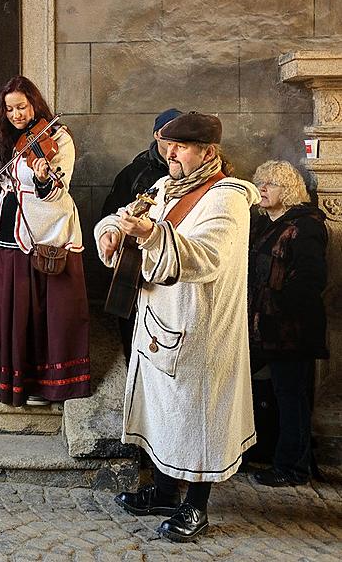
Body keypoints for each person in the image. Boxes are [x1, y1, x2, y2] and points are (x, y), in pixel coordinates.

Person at [94, 112, 258, 542]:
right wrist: (111, 231)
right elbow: (124, 213)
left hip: (201, 330)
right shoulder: (166, 186)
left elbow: (206, 257)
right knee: (164, 416)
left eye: (180, 147)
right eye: (168, 145)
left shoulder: (227, 199)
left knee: (198, 418)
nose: (170, 153)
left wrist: (150, 236)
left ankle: (196, 507)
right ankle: (166, 493)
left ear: (207, 151)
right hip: (158, 323)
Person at [0, 75, 90, 407]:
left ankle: (44, 383)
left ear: (34, 104)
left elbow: (59, 188)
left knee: (41, 310)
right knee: (0, 307)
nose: (16, 115)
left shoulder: (59, 138)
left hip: (44, 232)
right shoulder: (3, 138)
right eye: (9, 108)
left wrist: (43, 178)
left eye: (21, 107)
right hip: (5, 231)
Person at [248, 160, 328, 487]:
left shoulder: (304, 225)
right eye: (260, 182)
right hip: (259, 326)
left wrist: (279, 309)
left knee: (291, 394)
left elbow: (311, 279)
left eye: (271, 184)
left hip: (290, 329)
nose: (263, 189)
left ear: (289, 190)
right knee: (249, 387)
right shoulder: (262, 223)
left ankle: (293, 467)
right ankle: (251, 452)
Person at [100, 108, 182, 361]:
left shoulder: (189, 172)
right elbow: (111, 214)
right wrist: (111, 232)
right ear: (157, 134)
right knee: (134, 334)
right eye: (170, 137)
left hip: (175, 263)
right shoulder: (133, 174)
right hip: (135, 267)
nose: (174, 148)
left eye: (181, 141)